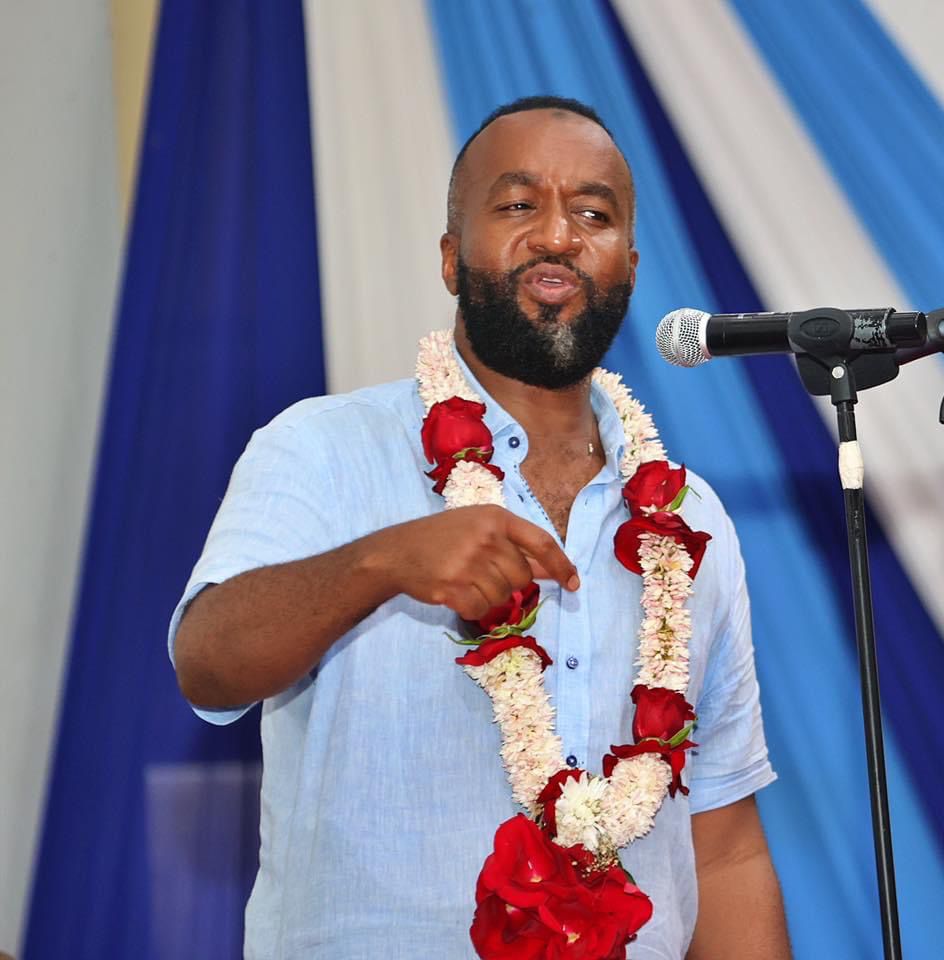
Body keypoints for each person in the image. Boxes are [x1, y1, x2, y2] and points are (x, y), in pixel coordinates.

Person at [171, 95, 790, 959]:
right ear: (452, 258)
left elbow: (723, 849)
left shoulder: (690, 521)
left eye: (593, 212)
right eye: (518, 204)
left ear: (631, 265)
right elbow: (208, 665)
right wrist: (383, 563)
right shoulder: (322, 449)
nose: (559, 235)